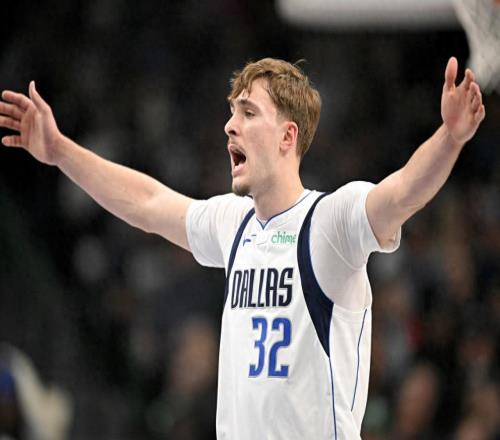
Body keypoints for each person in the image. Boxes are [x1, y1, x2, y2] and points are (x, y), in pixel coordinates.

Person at [0, 56, 485, 439]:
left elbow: (401, 193)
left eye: (248, 113)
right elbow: (147, 202)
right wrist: (60, 151)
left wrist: (450, 137)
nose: (230, 126)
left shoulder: (329, 223)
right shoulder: (233, 224)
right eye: (232, 113)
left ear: (287, 136)